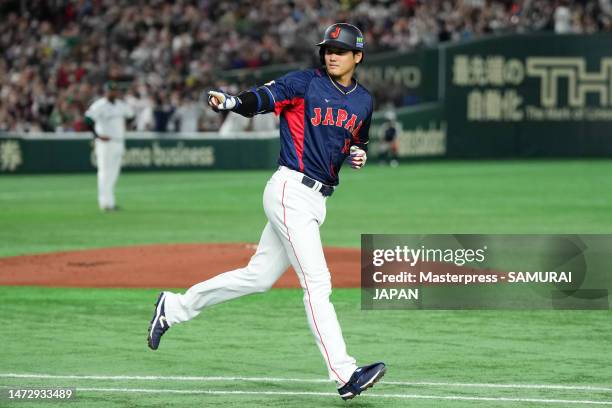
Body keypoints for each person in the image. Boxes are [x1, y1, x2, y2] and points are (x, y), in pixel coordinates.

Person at [147, 23, 386, 400]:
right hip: (290, 189)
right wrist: (231, 103)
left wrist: (359, 154)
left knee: (258, 277)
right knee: (318, 284)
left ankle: (174, 307)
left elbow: (356, 141)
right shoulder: (304, 83)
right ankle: (344, 374)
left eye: (340, 50)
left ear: (358, 57)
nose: (332, 54)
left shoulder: (364, 101)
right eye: (328, 49)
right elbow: (261, 98)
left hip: (316, 200)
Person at [84, 81, 134, 211]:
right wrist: (97, 136)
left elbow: (131, 116)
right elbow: (88, 119)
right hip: (105, 143)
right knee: (104, 173)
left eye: (115, 90)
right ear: (105, 91)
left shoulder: (121, 105)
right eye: (110, 90)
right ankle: (104, 203)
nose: (113, 92)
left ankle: (110, 202)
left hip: (118, 141)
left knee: (114, 173)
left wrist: (125, 126)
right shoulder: (100, 105)